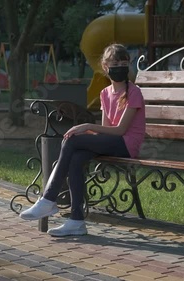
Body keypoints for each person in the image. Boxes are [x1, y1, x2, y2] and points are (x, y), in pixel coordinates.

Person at [19, 43, 146, 237]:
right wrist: (86, 134)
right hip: (112, 141)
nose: (120, 66)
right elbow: (105, 131)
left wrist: (86, 127)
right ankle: (76, 221)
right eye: (115, 62)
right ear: (105, 66)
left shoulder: (134, 92)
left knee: (71, 141)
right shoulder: (104, 93)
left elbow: (120, 130)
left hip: (127, 145)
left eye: (124, 62)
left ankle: (48, 199)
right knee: (76, 157)